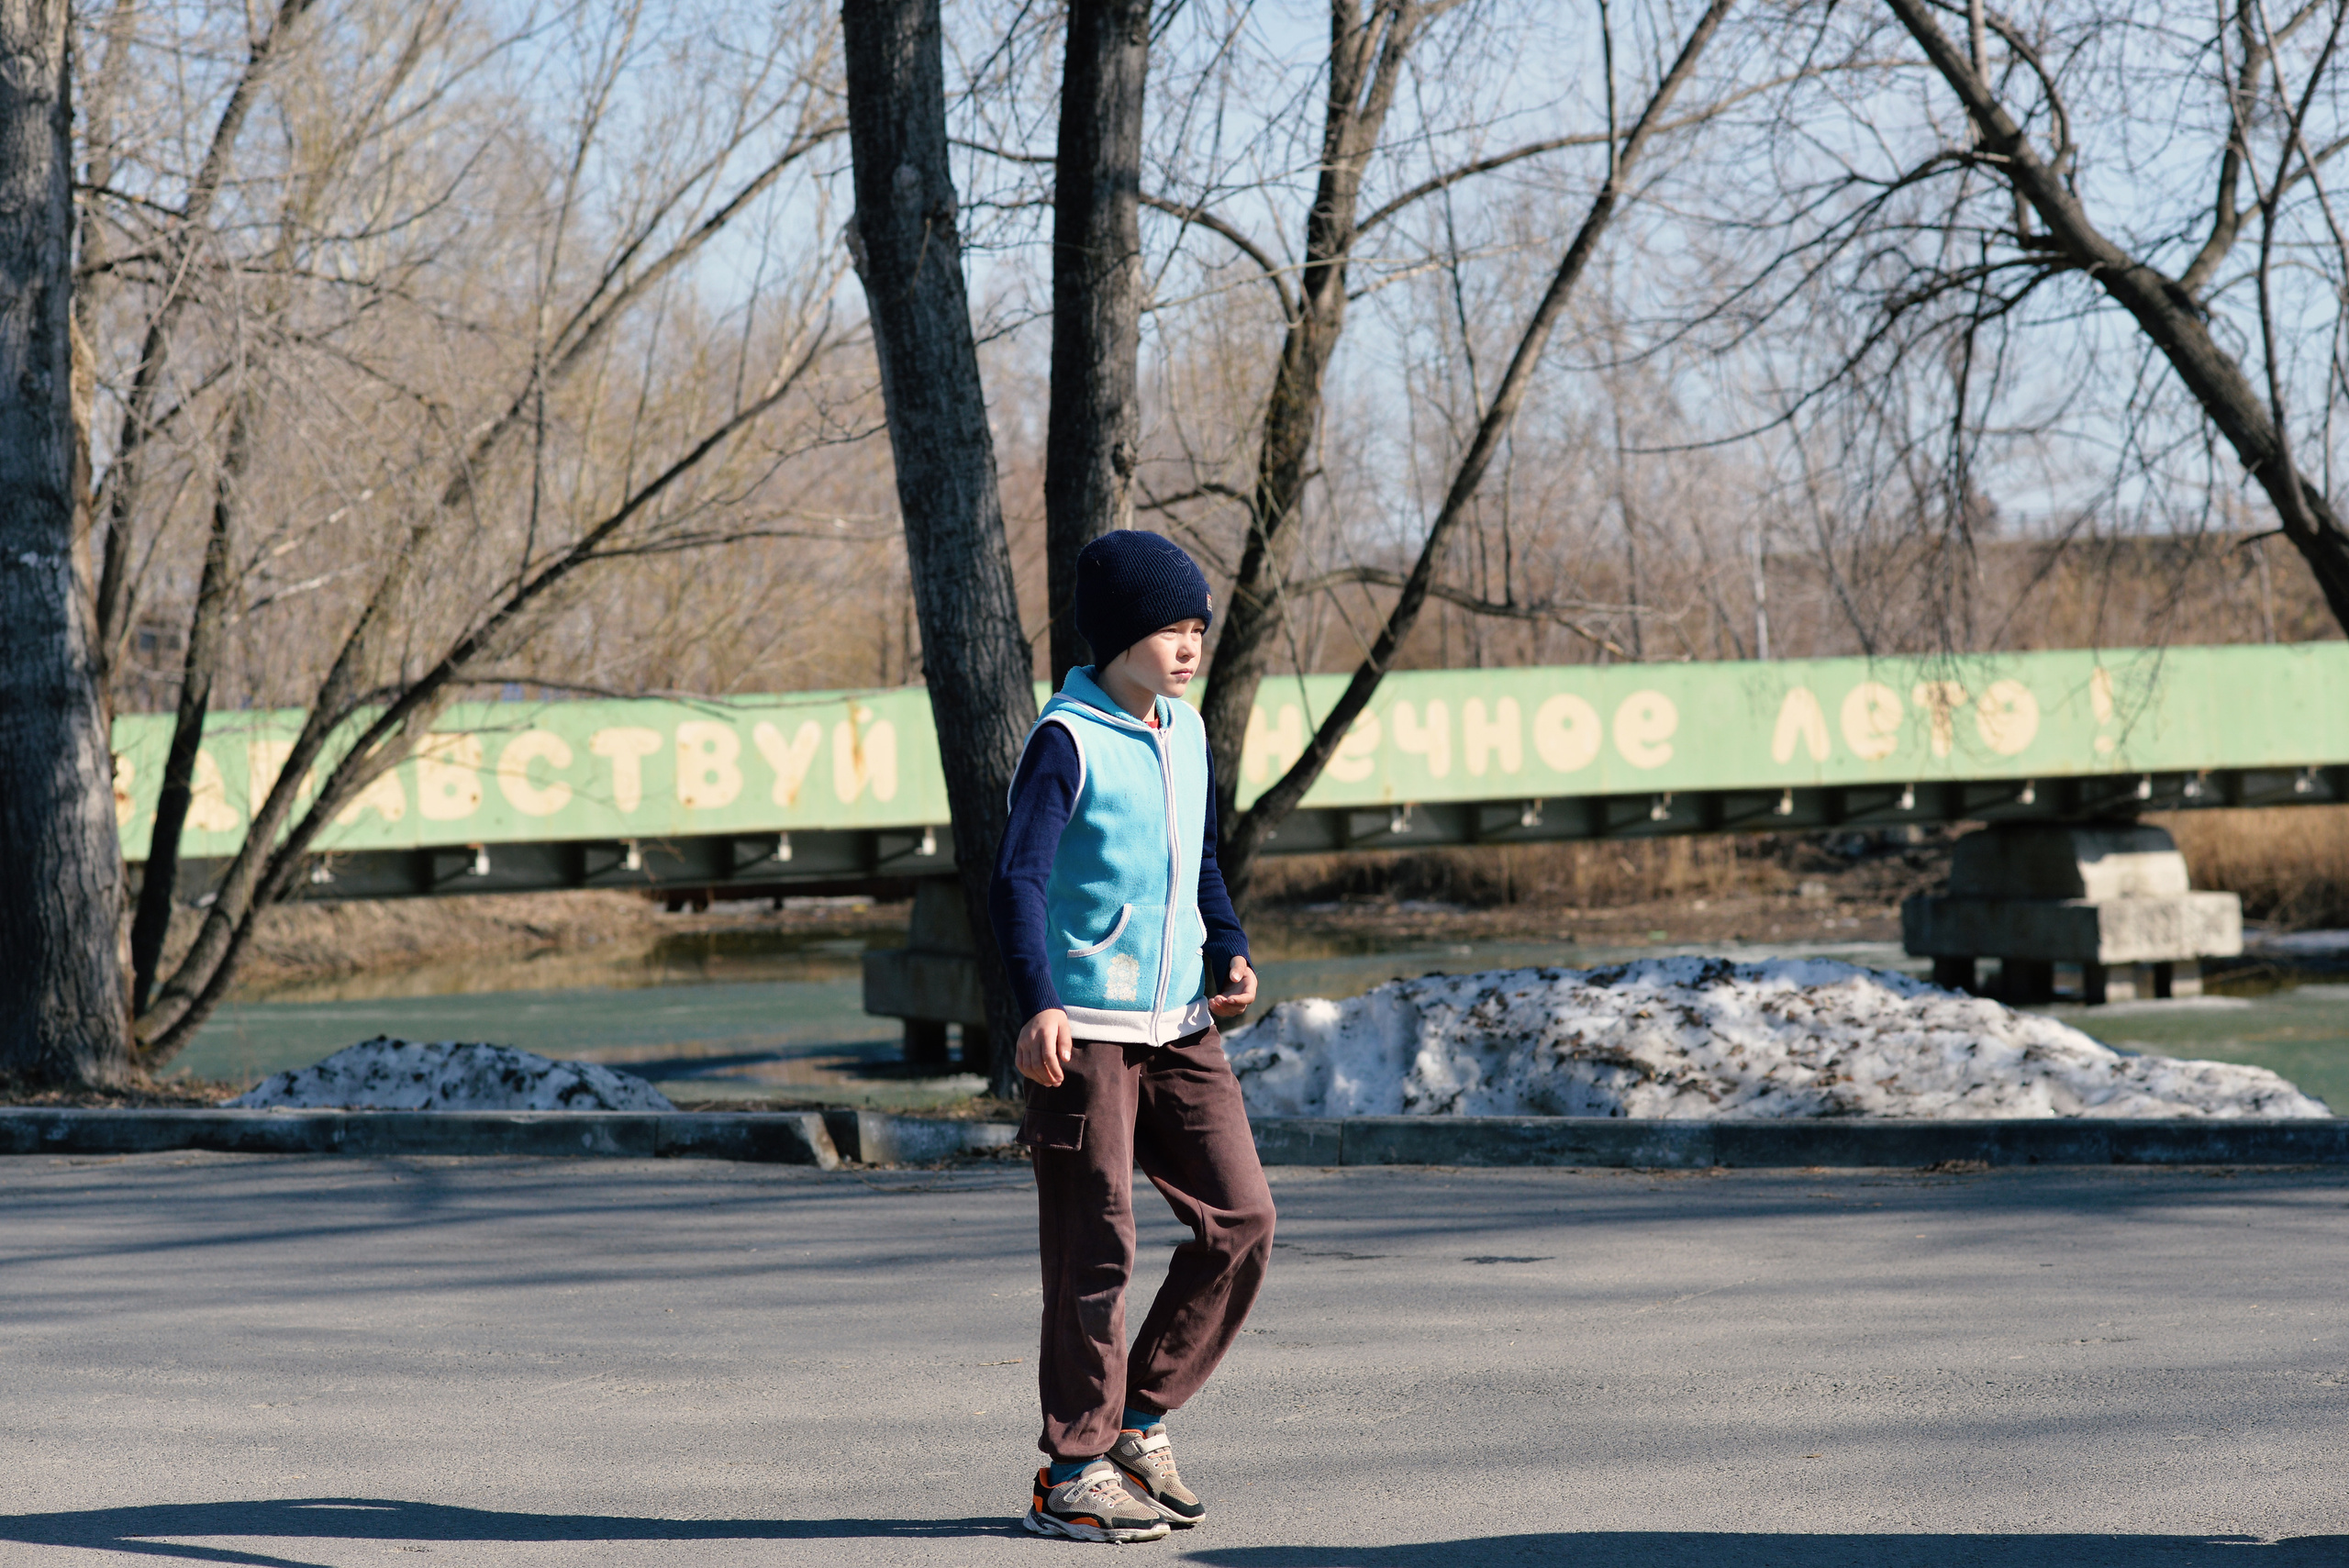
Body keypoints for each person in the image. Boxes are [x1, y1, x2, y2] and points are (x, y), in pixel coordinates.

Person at [987, 529, 1277, 1544]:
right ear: (1119, 636)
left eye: (1198, 626)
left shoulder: (1182, 729)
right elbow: (1017, 881)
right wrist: (1037, 1001)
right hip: (1086, 1031)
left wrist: (1226, 942)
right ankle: (1071, 1467)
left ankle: (1137, 1420)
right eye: (1170, 628)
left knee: (1240, 1218)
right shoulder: (1066, 739)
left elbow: (1194, 856)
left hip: (1179, 1026)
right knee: (1094, 1246)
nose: (1190, 645)